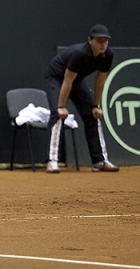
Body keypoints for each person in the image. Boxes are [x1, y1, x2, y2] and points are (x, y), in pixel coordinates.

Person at [44, 24, 119, 174]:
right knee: (58, 114)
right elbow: (67, 80)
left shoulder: (108, 55)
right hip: (57, 78)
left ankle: (99, 161)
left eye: (105, 41)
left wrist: (96, 105)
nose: (103, 44)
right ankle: (52, 161)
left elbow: (100, 80)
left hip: (76, 80)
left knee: (92, 114)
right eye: (99, 41)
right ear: (90, 40)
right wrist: (61, 106)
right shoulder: (79, 53)